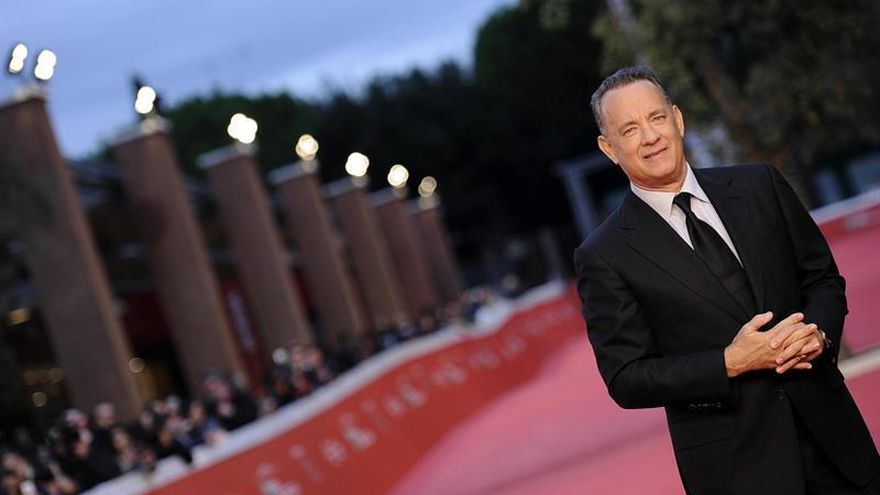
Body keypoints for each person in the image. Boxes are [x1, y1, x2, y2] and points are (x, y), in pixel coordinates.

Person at [573, 66, 880, 494]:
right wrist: (728, 363)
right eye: (630, 129)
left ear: (677, 119)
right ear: (609, 148)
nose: (650, 136)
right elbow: (626, 377)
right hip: (737, 471)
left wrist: (820, 334)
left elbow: (822, 279)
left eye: (657, 118)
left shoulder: (760, 184)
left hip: (839, 446)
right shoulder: (604, 255)